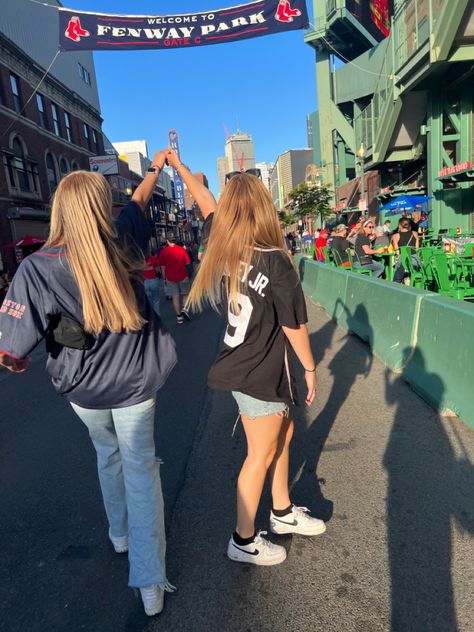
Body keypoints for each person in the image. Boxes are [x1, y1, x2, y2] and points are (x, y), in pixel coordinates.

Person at [0, 152, 178, 617]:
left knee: (107, 454)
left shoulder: (36, 268)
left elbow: (12, 350)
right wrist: (156, 166)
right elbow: (138, 201)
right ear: (103, 207)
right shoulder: (123, 240)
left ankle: (118, 534)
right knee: (142, 470)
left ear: (59, 208)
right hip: (136, 381)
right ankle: (150, 581)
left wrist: (14, 360)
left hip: (83, 388)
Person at [170, 155, 326, 566]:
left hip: (243, 367)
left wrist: (180, 167)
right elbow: (295, 326)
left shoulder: (225, 249)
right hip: (258, 372)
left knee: (284, 436)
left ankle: (282, 511)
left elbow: (205, 204)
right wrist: (310, 369)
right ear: (263, 206)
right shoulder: (275, 260)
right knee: (260, 453)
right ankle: (243, 539)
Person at [158, 233, 192, 324]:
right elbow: (188, 262)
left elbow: (162, 266)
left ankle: (179, 317)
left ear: (167, 241)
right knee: (185, 294)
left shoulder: (164, 252)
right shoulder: (182, 250)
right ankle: (185, 309)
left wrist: (164, 278)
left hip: (170, 277)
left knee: (175, 297)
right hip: (183, 275)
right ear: (175, 240)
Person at [392, 218, 420, 283]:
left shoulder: (395, 236)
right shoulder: (415, 233)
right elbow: (417, 249)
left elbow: (397, 251)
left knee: (397, 278)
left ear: (399, 225)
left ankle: (396, 284)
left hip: (403, 261)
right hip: (414, 259)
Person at [144, 251, 161, 316]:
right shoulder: (153, 258)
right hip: (153, 281)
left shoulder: (139, 261)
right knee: (156, 300)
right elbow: (157, 270)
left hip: (144, 282)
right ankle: (157, 315)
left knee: (148, 301)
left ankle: (151, 316)